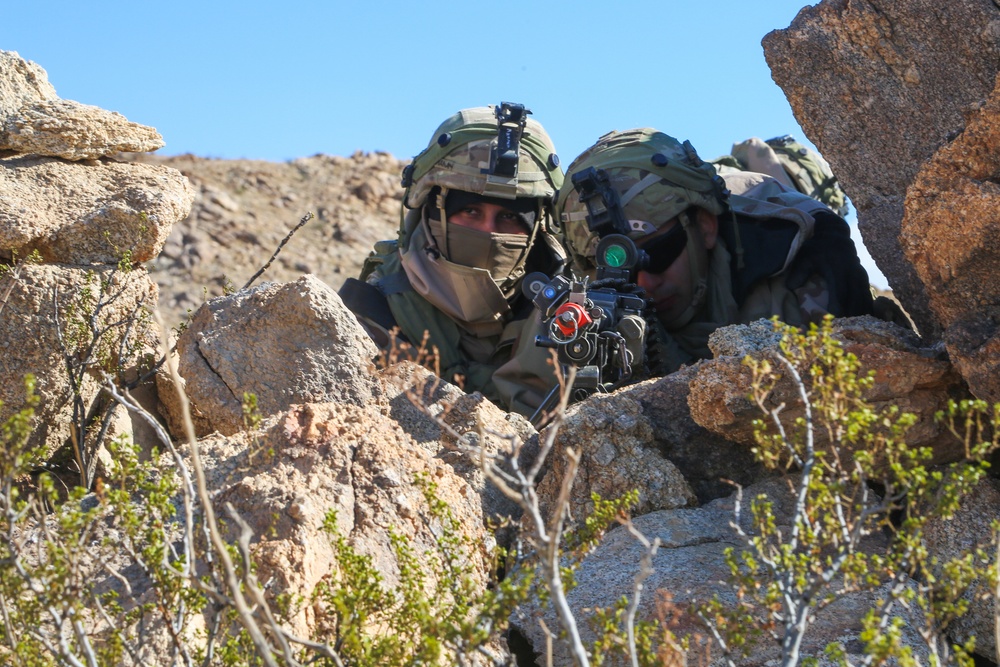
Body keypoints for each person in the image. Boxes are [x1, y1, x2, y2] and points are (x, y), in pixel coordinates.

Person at [556, 128, 875, 373]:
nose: (643, 284)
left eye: (658, 253)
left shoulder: (794, 277)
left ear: (706, 226)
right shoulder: (572, 311)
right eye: (615, 269)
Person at [339, 103, 567, 417]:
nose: (488, 232)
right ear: (431, 211)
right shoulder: (374, 312)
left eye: (510, 217)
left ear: (536, 229)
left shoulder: (567, 310)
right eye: (470, 212)